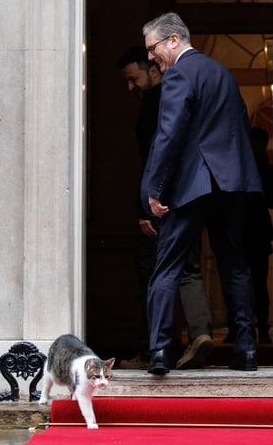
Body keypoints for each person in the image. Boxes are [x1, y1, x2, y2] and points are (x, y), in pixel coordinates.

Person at [141, 12, 263, 374]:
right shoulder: (223, 73)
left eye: (153, 48)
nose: (150, 57)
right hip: (231, 184)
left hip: (193, 185)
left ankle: (160, 351)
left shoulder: (180, 71)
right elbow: (239, 124)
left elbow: (170, 132)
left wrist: (155, 188)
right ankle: (246, 351)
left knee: (167, 266)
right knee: (235, 265)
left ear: (174, 40)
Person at [117, 46, 214, 371]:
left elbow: (152, 161)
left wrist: (145, 206)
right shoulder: (184, 98)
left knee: (156, 272)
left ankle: (154, 349)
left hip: (161, 203)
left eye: (134, 79)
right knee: (189, 268)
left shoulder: (155, 106)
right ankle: (200, 333)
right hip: (190, 195)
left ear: (153, 71)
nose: (131, 88)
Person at [224, 126, 273, 345]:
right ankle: (246, 329)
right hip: (246, 230)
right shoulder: (255, 168)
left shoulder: (253, 168)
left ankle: (258, 328)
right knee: (244, 281)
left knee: (249, 282)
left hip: (251, 230)